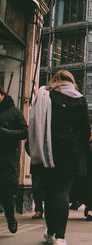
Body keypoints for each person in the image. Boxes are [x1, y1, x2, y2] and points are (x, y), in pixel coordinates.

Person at [28, 70, 91, 244]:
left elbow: (34, 125)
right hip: (71, 153)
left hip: (48, 151)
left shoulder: (45, 96)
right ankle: (61, 238)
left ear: (55, 80)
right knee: (63, 192)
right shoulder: (80, 99)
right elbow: (86, 130)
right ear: (72, 81)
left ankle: (50, 232)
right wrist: (82, 152)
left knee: (49, 193)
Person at [0, 84, 28, 234]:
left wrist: (5, 133)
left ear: (1, 94)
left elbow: (24, 132)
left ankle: (10, 218)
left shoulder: (14, 112)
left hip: (5, 160)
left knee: (5, 194)